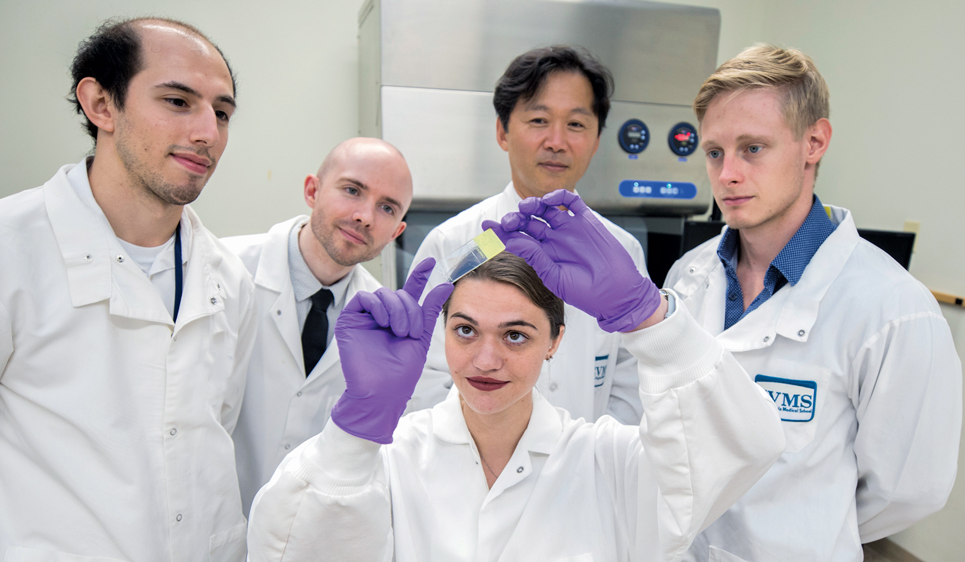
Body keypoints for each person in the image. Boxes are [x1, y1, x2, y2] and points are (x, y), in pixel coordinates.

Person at [246, 190, 785, 561]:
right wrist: (355, 426)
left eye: (516, 335)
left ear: (556, 341)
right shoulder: (388, 464)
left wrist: (650, 317)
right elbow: (287, 548)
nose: (485, 360)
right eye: (464, 330)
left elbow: (746, 445)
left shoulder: (610, 464)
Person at [0, 18, 257, 561]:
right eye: (177, 101)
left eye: (221, 113)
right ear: (101, 104)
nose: (208, 133)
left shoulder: (229, 281)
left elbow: (214, 437)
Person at [663, 44, 962, 562]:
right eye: (714, 152)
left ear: (814, 142)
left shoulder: (893, 308)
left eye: (753, 148)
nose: (727, 174)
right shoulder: (688, 277)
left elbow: (906, 491)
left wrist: (809, 525)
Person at [410, 45, 650, 425]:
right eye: (539, 120)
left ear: (596, 140)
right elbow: (424, 375)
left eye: (576, 124)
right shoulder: (455, 244)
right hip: (476, 472)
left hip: (585, 471)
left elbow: (631, 377)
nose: (556, 141)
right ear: (503, 132)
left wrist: (596, 459)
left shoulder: (622, 249)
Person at [223, 138, 442, 515]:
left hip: (307, 536)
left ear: (396, 231)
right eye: (353, 190)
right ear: (313, 190)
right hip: (208, 529)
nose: (365, 216)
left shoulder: (387, 326)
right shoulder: (223, 270)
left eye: (386, 208)